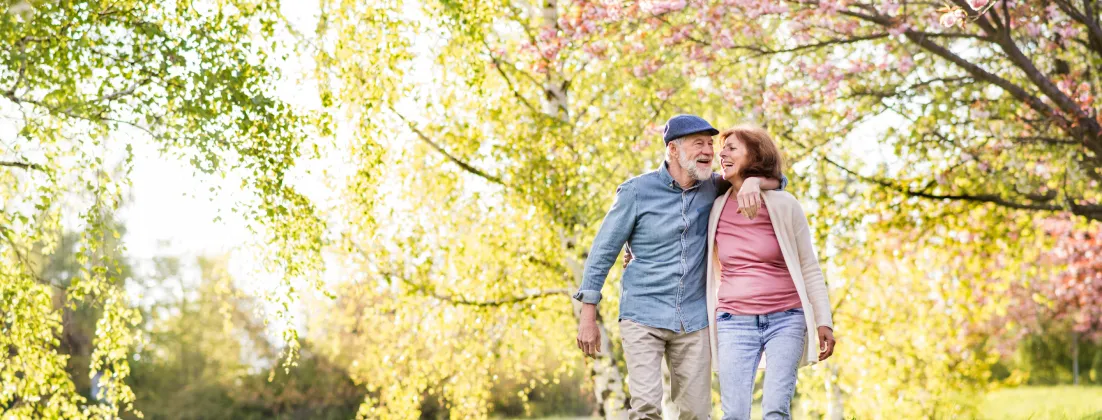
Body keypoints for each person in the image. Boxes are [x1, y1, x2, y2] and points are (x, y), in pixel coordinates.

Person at [574, 115, 787, 419]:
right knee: (646, 406)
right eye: (698, 143)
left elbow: (779, 182)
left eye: (710, 144)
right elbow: (603, 251)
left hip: (693, 318)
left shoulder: (714, 186)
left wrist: (753, 180)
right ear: (673, 150)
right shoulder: (636, 191)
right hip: (642, 314)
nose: (709, 151)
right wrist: (588, 314)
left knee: (698, 413)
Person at [705, 125, 835, 420]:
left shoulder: (785, 205)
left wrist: (823, 319)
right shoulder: (714, 207)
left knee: (776, 409)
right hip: (733, 321)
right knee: (735, 413)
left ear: (754, 155)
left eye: (731, 148)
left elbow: (809, 267)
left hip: (786, 319)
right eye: (722, 149)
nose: (721, 153)